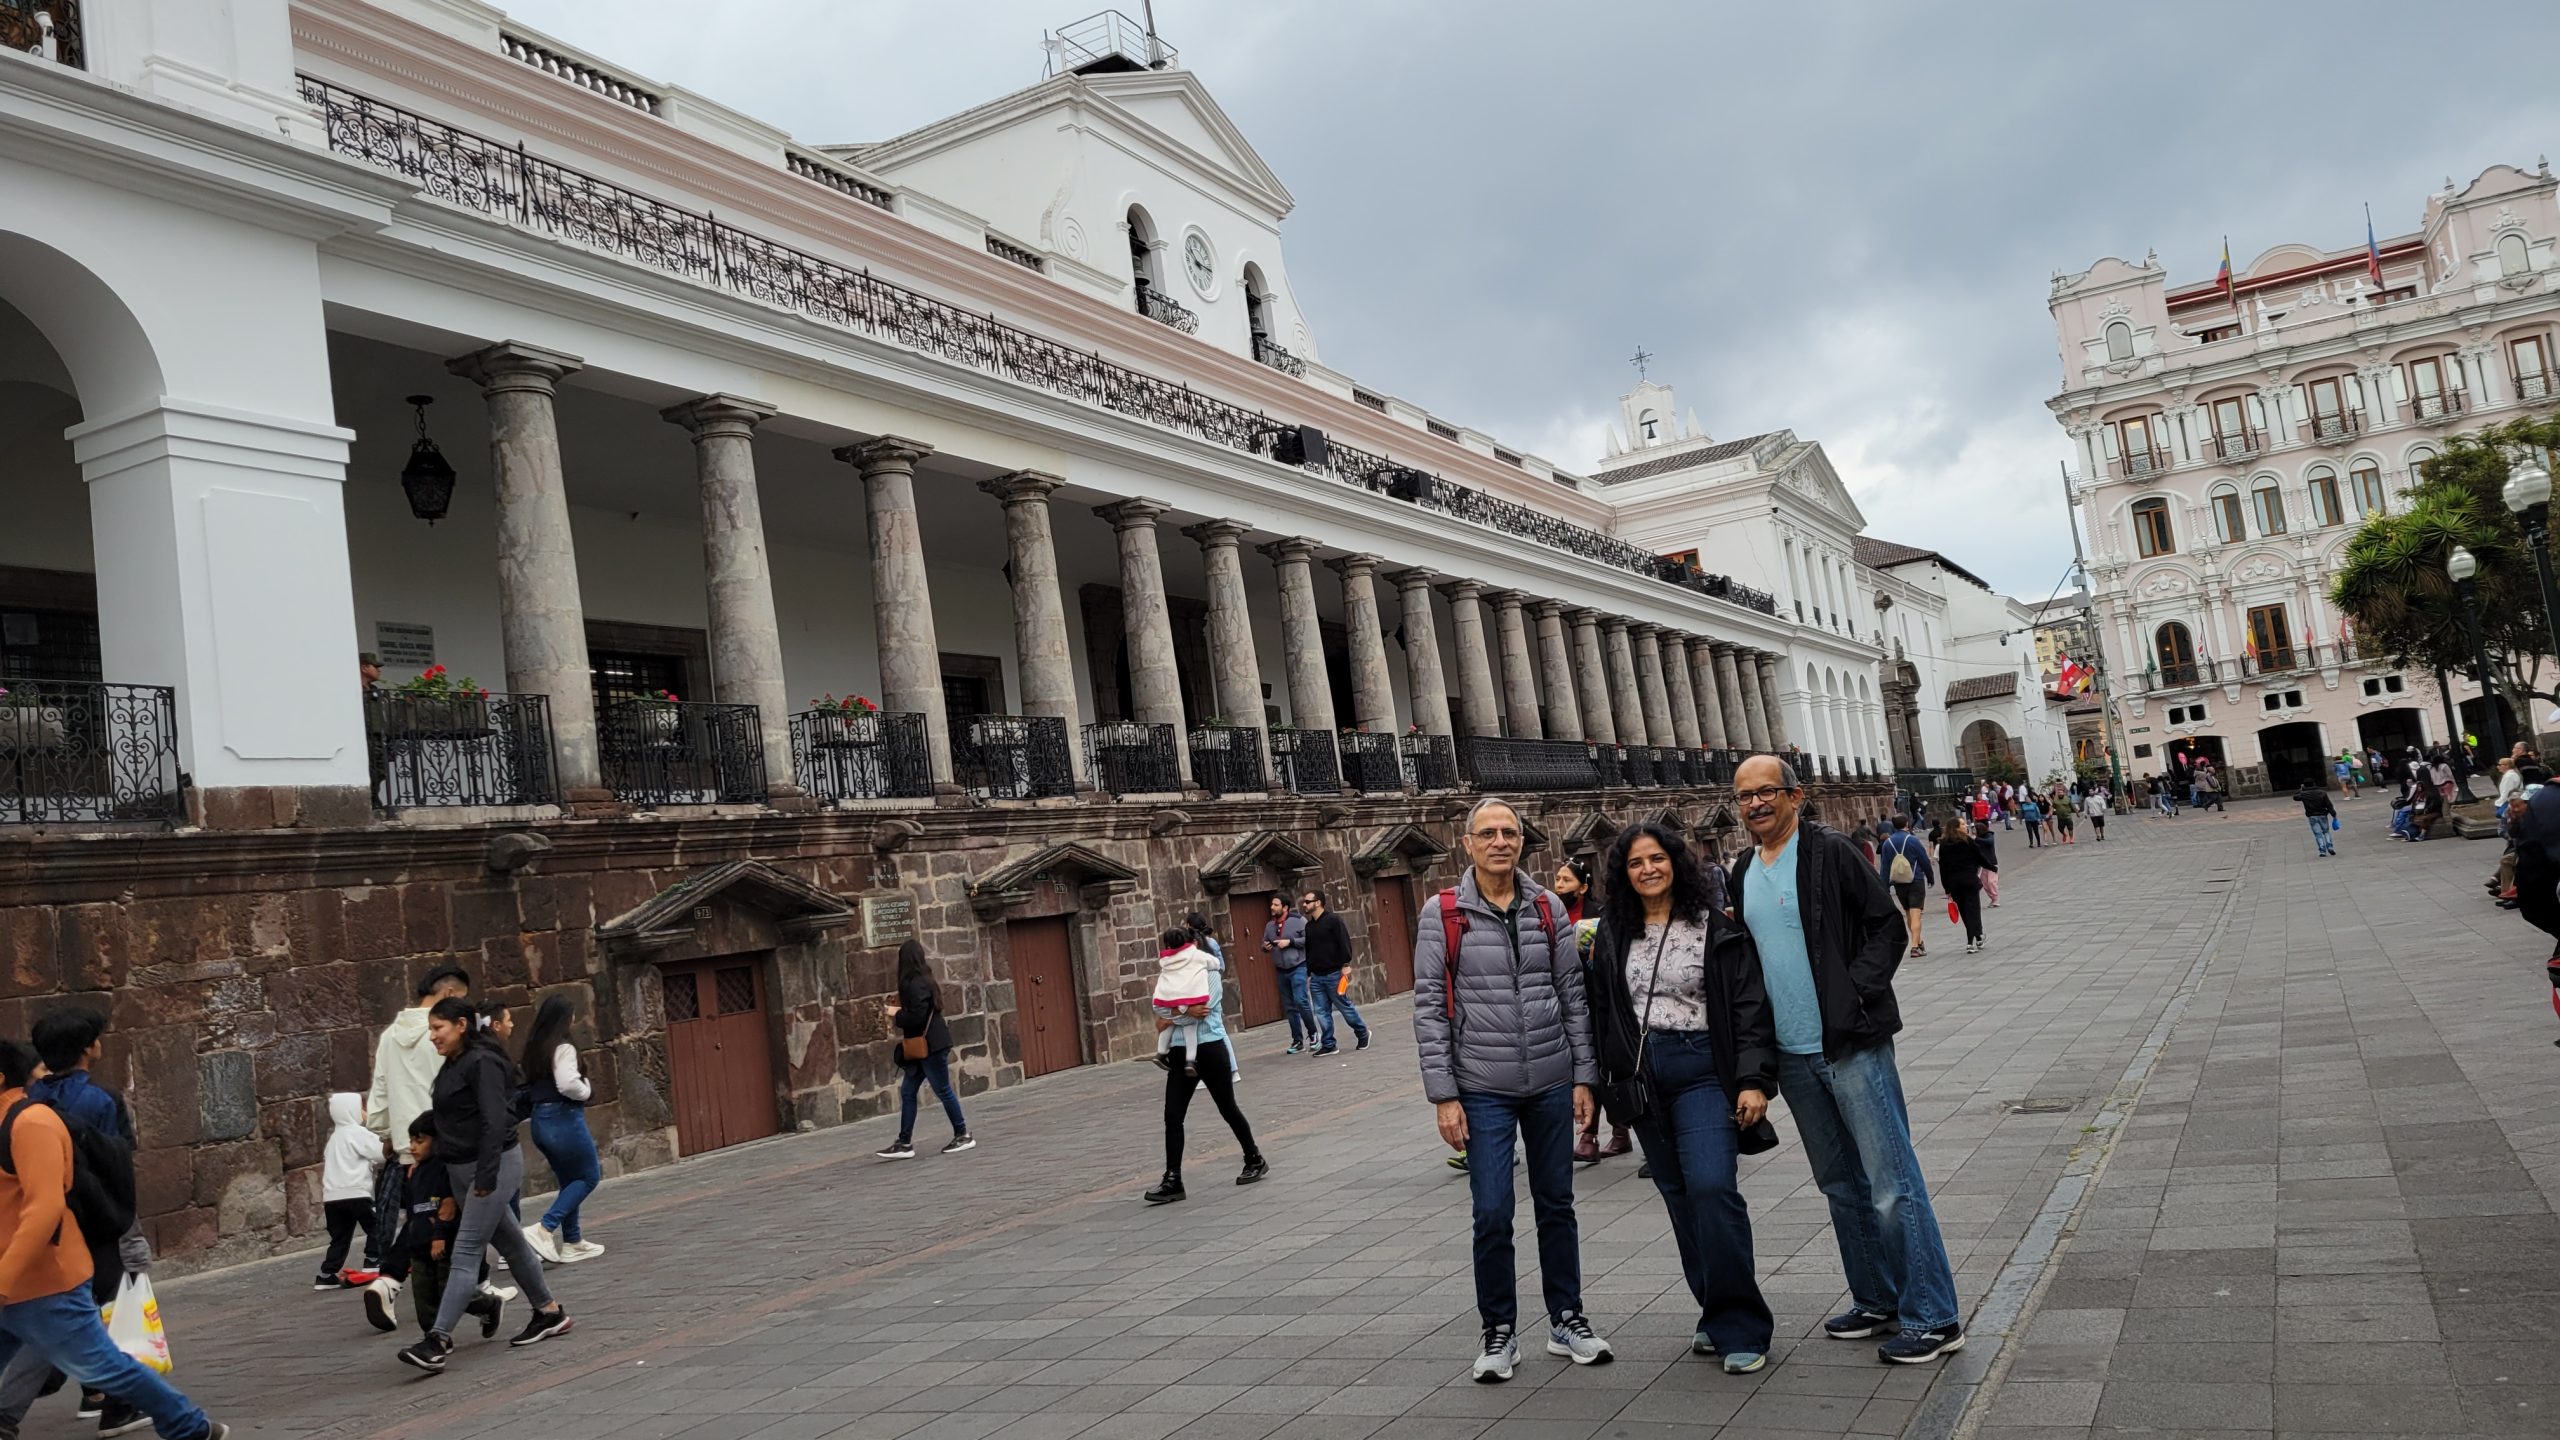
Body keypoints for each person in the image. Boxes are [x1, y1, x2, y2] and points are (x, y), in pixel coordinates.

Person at [1728, 756, 1966, 1364]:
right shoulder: (1742, 870)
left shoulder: (1829, 852)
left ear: (1795, 795)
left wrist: (1853, 996)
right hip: (1793, 1055)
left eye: (1767, 793)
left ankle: (1935, 1317)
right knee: (1841, 1186)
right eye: (1745, 796)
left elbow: (1886, 926)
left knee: (1892, 1185)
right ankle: (1877, 1298)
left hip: (1851, 1045)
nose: (1756, 804)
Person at [1411, 796, 1611, 1383]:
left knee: (1557, 1206)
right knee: (1492, 1210)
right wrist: (1443, 1094)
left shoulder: (1548, 907)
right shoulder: (1443, 913)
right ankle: (1498, 1329)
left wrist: (1584, 1076)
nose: (1501, 841)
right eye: (1488, 833)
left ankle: (1566, 1317)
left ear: (1522, 842)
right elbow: (1428, 1006)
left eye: (1510, 832)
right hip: (1482, 1087)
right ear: (1468, 843)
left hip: (1550, 1079)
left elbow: (1573, 995)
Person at [1588, 821, 1778, 1373]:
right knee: (1679, 1196)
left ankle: (1742, 1324)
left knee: (1713, 1187)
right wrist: (1601, 1082)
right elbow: (1603, 1009)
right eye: (1635, 863)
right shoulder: (1613, 932)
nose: (1648, 869)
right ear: (1623, 875)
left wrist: (1752, 1079)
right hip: (1643, 1079)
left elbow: (1747, 1005)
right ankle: (1714, 1311)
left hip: (1701, 1070)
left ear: (1676, 863)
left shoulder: (1712, 927)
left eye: (1657, 858)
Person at [0, 1040, 228, 1440]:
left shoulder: (31, 1124)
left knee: (103, 1367)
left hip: (44, 1282)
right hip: (14, 1282)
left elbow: (45, 1208)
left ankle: (189, 1426)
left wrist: (3, 1281)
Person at [396, 998, 571, 1374]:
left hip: (490, 1169)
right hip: (461, 1171)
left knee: (465, 1252)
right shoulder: (455, 1063)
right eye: (431, 1030)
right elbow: (447, 1121)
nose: (432, 1037)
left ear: (461, 1025)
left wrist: (487, 1178)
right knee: (508, 1240)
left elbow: (495, 1120)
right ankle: (549, 1312)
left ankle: (436, 1341)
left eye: (438, 1029)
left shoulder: (483, 1062)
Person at [359, 965, 469, 1321]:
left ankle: (389, 1280)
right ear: (450, 994)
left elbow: (379, 1093)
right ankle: (475, 1287)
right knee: (460, 1211)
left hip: (410, 1143)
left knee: (423, 1216)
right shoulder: (444, 1032)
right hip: (447, 1137)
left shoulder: (391, 1034)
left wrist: (388, 1134)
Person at [1141, 934, 1267, 1205]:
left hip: (1210, 1048)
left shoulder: (1210, 973)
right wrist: (1174, 1014)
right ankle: (1173, 1179)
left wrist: (1171, 1016)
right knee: (1172, 1115)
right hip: (1178, 1051)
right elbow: (1160, 1011)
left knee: (1227, 1107)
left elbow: (1202, 1011)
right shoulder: (1170, 977)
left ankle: (1254, 1157)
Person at [516, 998, 605, 1265]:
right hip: (563, 1117)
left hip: (540, 1120)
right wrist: (586, 1089)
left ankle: (573, 1240)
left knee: (569, 1180)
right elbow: (567, 1084)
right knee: (589, 1176)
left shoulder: (535, 1048)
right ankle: (544, 1228)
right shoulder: (563, 1047)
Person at [1555, 861, 1630, 1166]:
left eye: (1566, 880)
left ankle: (1610, 1132)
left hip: (1600, 1003)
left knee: (1603, 1065)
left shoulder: (1599, 916)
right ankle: (1597, 1134)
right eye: (1557, 879)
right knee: (1586, 1068)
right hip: (1568, 1003)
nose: (1559, 885)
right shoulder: (1551, 915)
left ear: (1583, 887)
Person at [876, 941, 973, 1161]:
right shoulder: (924, 979)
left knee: (943, 1089)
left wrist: (896, 1013)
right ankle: (904, 1142)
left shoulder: (915, 983)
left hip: (931, 1045)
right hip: (923, 1046)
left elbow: (918, 1017)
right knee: (908, 1092)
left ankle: (962, 1134)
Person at [317, 1094, 384, 1288]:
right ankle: (373, 1261)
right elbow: (380, 1152)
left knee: (340, 1237)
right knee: (376, 1226)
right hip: (356, 1193)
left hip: (332, 1198)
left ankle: (326, 1274)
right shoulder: (357, 1133)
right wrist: (372, 1123)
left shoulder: (334, 1139)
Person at [1297, 890, 1369, 1055]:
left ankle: (1362, 1032)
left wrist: (1346, 964)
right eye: (1304, 901)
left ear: (1318, 902)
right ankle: (1329, 1043)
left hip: (1334, 973)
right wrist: (1309, 973)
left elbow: (1344, 942)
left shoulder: (1333, 921)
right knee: (1321, 1011)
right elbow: (1309, 951)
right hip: (1316, 976)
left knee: (1344, 1007)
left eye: (1308, 901)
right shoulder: (1309, 926)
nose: (1304, 904)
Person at [1151, 927, 1218, 1075]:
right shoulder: (1195, 954)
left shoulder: (1166, 960)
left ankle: (1161, 1052)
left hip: (1169, 998)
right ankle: (1190, 1060)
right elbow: (1215, 963)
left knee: (1167, 1019)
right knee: (1190, 1026)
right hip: (1189, 997)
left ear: (1167, 945)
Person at [1259, 895, 1317, 1056]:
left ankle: (1313, 1034)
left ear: (1284, 907)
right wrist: (1265, 947)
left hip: (1298, 966)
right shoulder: (1270, 925)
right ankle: (1297, 1040)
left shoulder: (1298, 921)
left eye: (1275, 904)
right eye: (1272, 904)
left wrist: (1290, 942)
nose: (1272, 907)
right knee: (1290, 1007)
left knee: (1301, 1001)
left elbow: (1309, 939)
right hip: (1280, 970)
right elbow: (1263, 944)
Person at [1877, 816, 1933, 960]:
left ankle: (1919, 942)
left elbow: (1885, 867)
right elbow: (1924, 860)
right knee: (1916, 914)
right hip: (1915, 880)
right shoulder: (1912, 840)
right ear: (1907, 824)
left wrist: (1885, 887)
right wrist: (1930, 876)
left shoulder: (1887, 843)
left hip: (1899, 882)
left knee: (1908, 913)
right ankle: (1914, 946)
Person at [1936, 822, 1990, 954]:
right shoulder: (1967, 841)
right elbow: (1979, 857)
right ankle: (1971, 940)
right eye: (1963, 824)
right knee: (1973, 910)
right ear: (1956, 828)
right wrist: (1991, 867)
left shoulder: (1943, 845)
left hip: (1954, 883)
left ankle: (1976, 938)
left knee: (1965, 912)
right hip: (1969, 880)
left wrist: (1946, 888)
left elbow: (1943, 868)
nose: (1966, 826)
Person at [2295, 779, 2338, 858]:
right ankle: (2330, 846)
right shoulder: (2322, 792)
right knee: (2326, 831)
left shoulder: (2303, 794)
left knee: (2318, 834)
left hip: (2312, 815)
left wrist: (2301, 789)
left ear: (2304, 785)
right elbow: (2329, 805)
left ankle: (2322, 850)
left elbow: (2295, 797)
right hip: (2323, 814)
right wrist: (2333, 814)